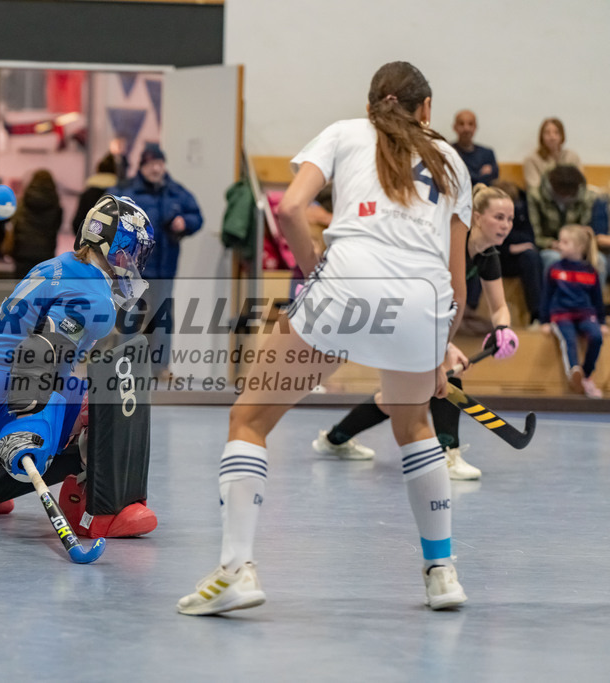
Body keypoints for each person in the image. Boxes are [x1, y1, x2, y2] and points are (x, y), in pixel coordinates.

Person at [176, 61, 473, 616]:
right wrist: (437, 351)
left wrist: (313, 267)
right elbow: (457, 281)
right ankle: (442, 573)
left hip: (348, 285)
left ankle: (237, 568)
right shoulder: (453, 161)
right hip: (424, 301)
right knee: (415, 427)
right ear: (426, 109)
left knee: (250, 418)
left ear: (372, 103)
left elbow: (288, 208)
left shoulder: (344, 132)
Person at [0, 194, 158, 535]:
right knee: (106, 409)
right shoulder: (96, 296)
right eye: (133, 251)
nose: (134, 262)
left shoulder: (59, 264)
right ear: (116, 246)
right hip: (10, 397)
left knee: (82, 396)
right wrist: (33, 427)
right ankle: (96, 510)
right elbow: (43, 351)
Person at [312, 184, 520, 480]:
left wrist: (503, 329)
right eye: (499, 217)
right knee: (445, 374)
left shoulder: (487, 256)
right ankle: (449, 454)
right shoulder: (447, 246)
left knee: (397, 397)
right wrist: (446, 348)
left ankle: (333, 440)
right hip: (396, 306)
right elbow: (420, 299)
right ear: (475, 217)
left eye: (510, 219)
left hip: (423, 318)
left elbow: (499, 307)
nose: (506, 225)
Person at [119, 143, 203, 379]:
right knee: (130, 316)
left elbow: (196, 215)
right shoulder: (128, 193)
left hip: (165, 267)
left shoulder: (176, 192)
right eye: (151, 164)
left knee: (162, 317)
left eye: (160, 164)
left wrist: (185, 223)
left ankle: (161, 368)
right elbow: (109, 214)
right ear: (142, 167)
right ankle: (125, 366)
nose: (156, 169)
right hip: (134, 268)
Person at [540, 224, 606, 398]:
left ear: (579, 247)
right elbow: (546, 296)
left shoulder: (591, 272)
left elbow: (597, 300)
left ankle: (585, 374)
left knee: (597, 336)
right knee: (568, 339)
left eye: (565, 242)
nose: (559, 245)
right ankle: (573, 372)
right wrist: (544, 321)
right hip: (561, 314)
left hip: (585, 313)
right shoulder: (555, 269)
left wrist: (601, 322)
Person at [527, 164, 607, 283]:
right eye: (562, 196)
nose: (566, 199)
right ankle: (556, 300)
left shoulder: (587, 196)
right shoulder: (535, 196)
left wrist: (577, 247)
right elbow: (535, 234)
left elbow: (586, 230)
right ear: (552, 189)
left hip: (579, 248)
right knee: (555, 260)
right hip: (549, 247)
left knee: (599, 260)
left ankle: (592, 302)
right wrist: (553, 244)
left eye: (570, 196)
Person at [493, 179, 544, 327]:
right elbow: (487, 239)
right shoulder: (486, 211)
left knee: (532, 257)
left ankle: (538, 315)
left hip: (515, 259)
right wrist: (509, 248)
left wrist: (509, 242)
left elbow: (530, 238)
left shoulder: (523, 207)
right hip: (494, 257)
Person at [6, 169, 63, 279]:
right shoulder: (57, 208)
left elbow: (15, 222)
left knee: (21, 289)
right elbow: (57, 227)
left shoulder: (22, 202)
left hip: (23, 252)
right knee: (41, 290)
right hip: (45, 254)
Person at [523, 118, 582, 191]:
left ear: (562, 136)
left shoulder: (572, 157)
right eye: (547, 133)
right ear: (541, 137)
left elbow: (580, 184)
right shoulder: (532, 160)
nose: (552, 137)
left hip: (570, 198)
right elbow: (534, 188)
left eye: (556, 132)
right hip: (544, 200)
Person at [72, 154, 119, 240]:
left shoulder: (88, 192)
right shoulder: (119, 194)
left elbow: (77, 222)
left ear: (98, 170)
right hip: (111, 244)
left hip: (88, 242)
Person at [451, 109, 499, 186]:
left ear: (475, 127)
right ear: (454, 127)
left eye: (470, 124)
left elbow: (494, 178)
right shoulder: (449, 152)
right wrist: (481, 175)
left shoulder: (487, 153)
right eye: (461, 124)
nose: (466, 129)